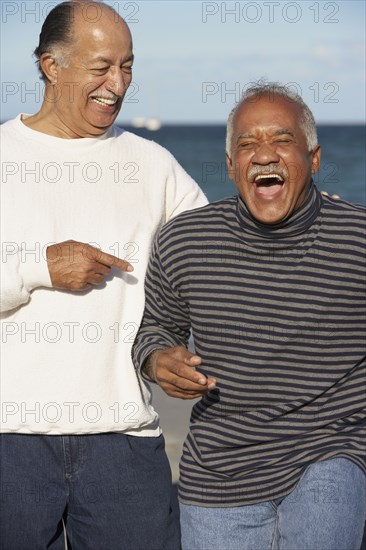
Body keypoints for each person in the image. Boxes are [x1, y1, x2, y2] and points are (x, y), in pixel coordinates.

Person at [0, 1, 208, 549]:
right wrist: (38, 267)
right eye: (101, 67)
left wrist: (305, 219)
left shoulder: (154, 165)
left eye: (128, 66)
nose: (118, 84)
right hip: (9, 442)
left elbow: (212, 265)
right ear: (51, 65)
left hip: (125, 440)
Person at [132, 81, 366, 550]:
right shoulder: (185, 242)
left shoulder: (356, 239)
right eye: (247, 144)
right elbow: (155, 330)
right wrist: (158, 362)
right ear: (230, 166)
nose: (263, 155)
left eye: (282, 140)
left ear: (314, 158)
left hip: (330, 449)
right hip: (219, 464)